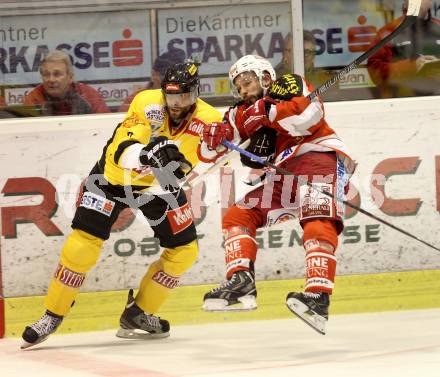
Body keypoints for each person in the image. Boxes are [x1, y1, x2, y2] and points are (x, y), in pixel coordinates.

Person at [21, 61, 223, 349]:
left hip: (157, 187)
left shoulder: (208, 119)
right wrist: (146, 154)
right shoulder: (147, 102)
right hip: (111, 179)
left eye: (183, 97)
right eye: (171, 96)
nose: (176, 104)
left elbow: (183, 171)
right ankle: (51, 315)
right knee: (81, 246)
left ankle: (138, 314)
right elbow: (121, 151)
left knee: (185, 251)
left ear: (196, 92)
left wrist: (205, 151)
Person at [198, 55, 355, 334]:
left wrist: (269, 111)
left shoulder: (290, 85)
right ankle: (241, 282)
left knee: (317, 219)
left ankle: (318, 298)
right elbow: (214, 152)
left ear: (265, 77)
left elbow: (308, 117)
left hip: (318, 157)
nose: (243, 90)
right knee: (239, 214)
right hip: (282, 175)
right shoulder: (240, 112)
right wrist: (212, 140)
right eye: (239, 86)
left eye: (247, 81)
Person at [367, 0, 440, 98]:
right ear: (405, 2)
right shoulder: (389, 31)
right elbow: (374, 69)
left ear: (430, 2)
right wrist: (411, 67)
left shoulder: (438, 27)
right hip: (401, 102)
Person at [24, 50, 110, 115]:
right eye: (46, 74)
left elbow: (106, 127)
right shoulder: (33, 99)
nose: (51, 79)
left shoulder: (89, 95)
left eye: (57, 74)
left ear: (70, 77)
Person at [118, 49, 186, 112]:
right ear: (154, 75)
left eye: (177, 78)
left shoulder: (188, 99)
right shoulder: (136, 99)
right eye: (166, 77)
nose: (172, 83)